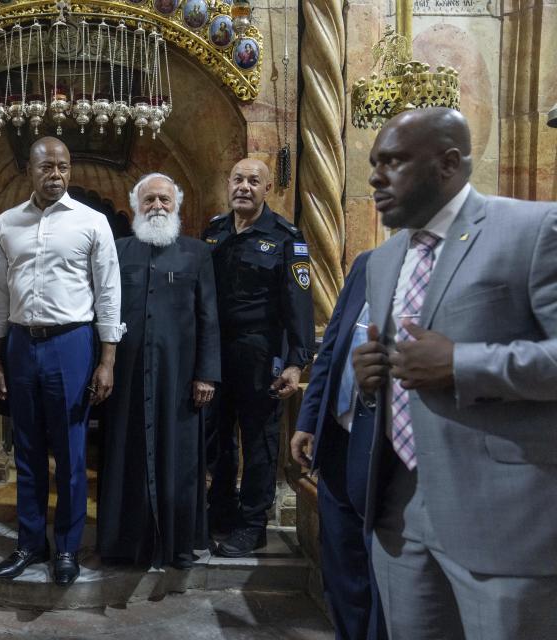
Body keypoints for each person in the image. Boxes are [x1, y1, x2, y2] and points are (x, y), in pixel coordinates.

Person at [353, 107, 557, 638]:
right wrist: (371, 380)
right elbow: (404, 376)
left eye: (392, 161)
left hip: (503, 524)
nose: (374, 177)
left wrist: (462, 364)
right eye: (375, 162)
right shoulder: (383, 260)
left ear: (447, 164)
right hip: (400, 516)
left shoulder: (533, 230)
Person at [0, 137, 123, 586]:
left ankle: (66, 547)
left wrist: (107, 361)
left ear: (70, 170)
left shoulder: (92, 222)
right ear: (31, 169)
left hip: (72, 343)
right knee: (25, 450)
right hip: (21, 345)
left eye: (63, 166)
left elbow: (108, 294)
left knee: (70, 451)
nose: (56, 174)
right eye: (47, 166)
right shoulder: (7, 224)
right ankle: (29, 543)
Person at [98, 173, 220, 570]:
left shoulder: (197, 254)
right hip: (127, 376)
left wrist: (206, 374)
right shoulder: (117, 251)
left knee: (180, 460)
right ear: (135, 205)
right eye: (149, 200)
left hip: (179, 380)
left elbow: (209, 317)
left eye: (165, 200)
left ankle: (177, 544)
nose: (157, 207)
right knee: (123, 456)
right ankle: (123, 544)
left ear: (177, 205)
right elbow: (103, 310)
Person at [202, 157, 315, 557]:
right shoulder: (214, 232)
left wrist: (296, 361)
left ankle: (253, 525)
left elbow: (299, 304)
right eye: (238, 179)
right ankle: (222, 512)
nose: (244, 187)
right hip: (216, 353)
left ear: (268, 189)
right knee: (217, 437)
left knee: (259, 441)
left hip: (260, 351)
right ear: (227, 184)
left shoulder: (286, 237)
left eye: (254, 181)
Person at [290, 252, 386, 640]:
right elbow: (331, 346)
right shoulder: (368, 263)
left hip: (381, 448)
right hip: (336, 439)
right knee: (342, 567)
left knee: (378, 573)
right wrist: (309, 420)